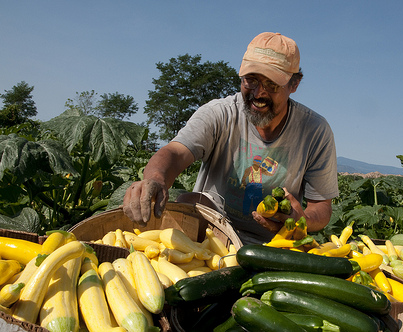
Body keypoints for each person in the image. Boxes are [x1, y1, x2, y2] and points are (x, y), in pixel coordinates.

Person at [122, 32, 338, 244]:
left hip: (274, 245)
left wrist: (303, 220)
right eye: (250, 80)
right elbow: (176, 153)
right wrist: (156, 178)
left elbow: (321, 207)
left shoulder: (315, 131)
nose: (259, 93)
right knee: (187, 201)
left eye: (272, 84)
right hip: (209, 237)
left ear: (294, 84)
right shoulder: (220, 113)